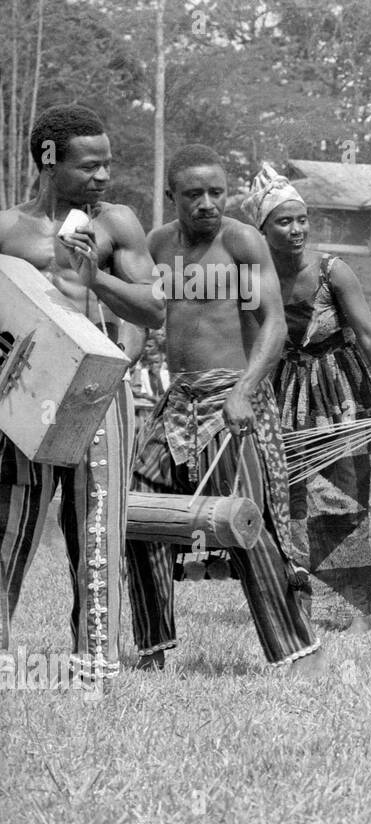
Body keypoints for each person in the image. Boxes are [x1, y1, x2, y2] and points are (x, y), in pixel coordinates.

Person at [127, 145, 323, 674]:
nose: (208, 203)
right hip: (177, 400)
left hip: (235, 398)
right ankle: (152, 651)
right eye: (195, 195)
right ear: (172, 196)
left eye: (217, 192)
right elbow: (141, 320)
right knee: (138, 514)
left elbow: (276, 325)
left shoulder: (242, 240)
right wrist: (116, 368)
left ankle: (297, 655)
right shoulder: (157, 243)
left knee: (250, 527)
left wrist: (245, 391)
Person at [0, 103, 163, 683]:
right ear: (49, 160)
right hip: (22, 397)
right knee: (9, 527)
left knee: (98, 532)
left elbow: (153, 309)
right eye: (91, 166)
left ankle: (96, 664)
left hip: (100, 393)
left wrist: (98, 278)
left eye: (108, 165)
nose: (103, 177)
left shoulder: (117, 223)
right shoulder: (7, 231)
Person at [247, 164, 371, 631]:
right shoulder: (254, 279)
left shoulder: (333, 270)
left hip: (348, 396)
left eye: (302, 219)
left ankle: (357, 610)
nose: (296, 230)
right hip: (288, 398)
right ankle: (301, 601)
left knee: (355, 498)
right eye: (283, 222)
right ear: (262, 229)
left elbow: (370, 334)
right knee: (294, 500)